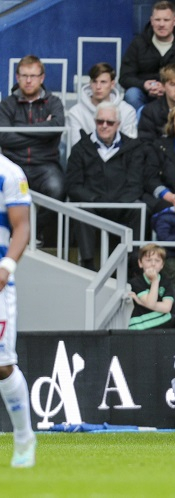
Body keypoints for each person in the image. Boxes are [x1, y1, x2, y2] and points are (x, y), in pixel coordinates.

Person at [66, 102, 146, 270]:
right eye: (100, 121)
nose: (104, 126)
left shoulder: (133, 147)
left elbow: (136, 184)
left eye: (109, 122)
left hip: (122, 206)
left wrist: (119, 203)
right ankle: (88, 264)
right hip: (93, 205)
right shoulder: (80, 148)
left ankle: (133, 264)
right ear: (94, 122)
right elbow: (73, 185)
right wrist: (95, 200)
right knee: (81, 209)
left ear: (118, 124)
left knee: (138, 209)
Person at [0, 154, 35, 467]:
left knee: (2, 366)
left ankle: (24, 437)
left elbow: (22, 225)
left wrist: (7, 266)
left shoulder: (9, 172)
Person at [0, 55, 65, 206]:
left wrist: (17, 128)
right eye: (24, 76)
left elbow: (56, 128)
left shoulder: (54, 102)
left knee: (57, 190)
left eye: (33, 76)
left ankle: (33, 223)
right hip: (13, 164)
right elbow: (4, 137)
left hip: (46, 164)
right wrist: (43, 131)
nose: (28, 80)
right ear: (17, 77)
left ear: (42, 78)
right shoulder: (6, 104)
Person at [120, 1, 175, 110]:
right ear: (151, 21)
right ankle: (143, 120)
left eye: (166, 20)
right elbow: (125, 77)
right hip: (145, 92)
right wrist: (144, 84)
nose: (161, 24)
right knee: (132, 95)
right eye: (157, 20)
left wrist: (168, 87)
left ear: (174, 21)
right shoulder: (138, 43)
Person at [67, 63, 137, 146]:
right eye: (94, 82)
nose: (98, 87)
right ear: (90, 83)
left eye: (103, 82)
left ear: (112, 84)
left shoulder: (127, 111)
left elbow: (130, 146)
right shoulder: (75, 113)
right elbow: (76, 147)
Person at [129, 243, 175, 330]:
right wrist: (155, 281)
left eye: (157, 261)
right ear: (140, 263)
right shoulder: (136, 282)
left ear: (162, 265)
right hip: (141, 326)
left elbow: (167, 308)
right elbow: (150, 303)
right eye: (148, 260)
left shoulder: (166, 282)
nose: (153, 264)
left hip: (164, 323)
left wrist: (141, 302)